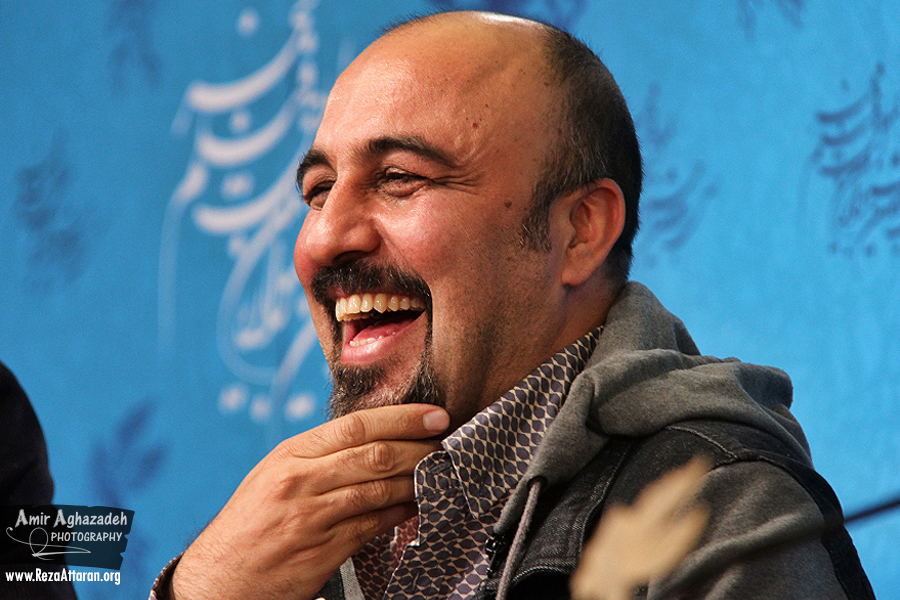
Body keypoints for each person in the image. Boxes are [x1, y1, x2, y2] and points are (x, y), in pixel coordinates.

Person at [152, 10, 873, 600]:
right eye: (317, 191)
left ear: (580, 232)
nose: (324, 239)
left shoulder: (719, 508)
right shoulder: (294, 544)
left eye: (399, 178)